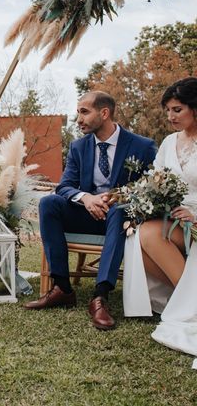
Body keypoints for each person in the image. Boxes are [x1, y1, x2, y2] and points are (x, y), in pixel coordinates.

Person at [25, 91, 157, 330]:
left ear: (104, 113)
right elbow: (64, 186)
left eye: (84, 112)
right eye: (78, 113)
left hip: (121, 219)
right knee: (48, 203)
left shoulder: (142, 146)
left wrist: (119, 197)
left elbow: (152, 187)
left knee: (119, 211)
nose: (79, 119)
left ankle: (100, 295)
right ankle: (63, 288)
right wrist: (86, 198)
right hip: (87, 214)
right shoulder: (78, 147)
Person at [123, 78, 197, 358]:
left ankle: (190, 302)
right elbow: (156, 179)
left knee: (149, 235)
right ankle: (187, 299)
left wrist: (194, 214)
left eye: (177, 110)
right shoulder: (168, 142)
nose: (170, 117)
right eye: (168, 110)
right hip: (172, 216)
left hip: (194, 217)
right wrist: (147, 201)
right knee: (135, 239)